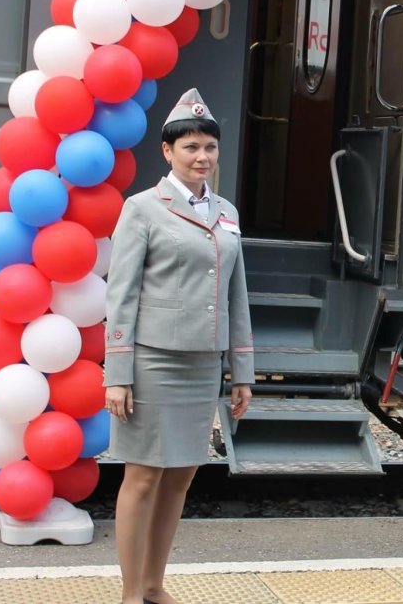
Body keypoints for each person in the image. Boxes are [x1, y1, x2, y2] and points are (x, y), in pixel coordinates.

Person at [103, 89, 254, 604]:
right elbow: (121, 294)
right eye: (190, 147)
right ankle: (130, 593)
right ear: (167, 152)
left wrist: (242, 371)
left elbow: (236, 294)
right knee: (143, 477)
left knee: (180, 480)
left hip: (202, 365)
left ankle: (153, 585)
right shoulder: (142, 208)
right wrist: (117, 375)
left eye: (209, 147)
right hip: (153, 362)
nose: (202, 157)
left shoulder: (226, 212)